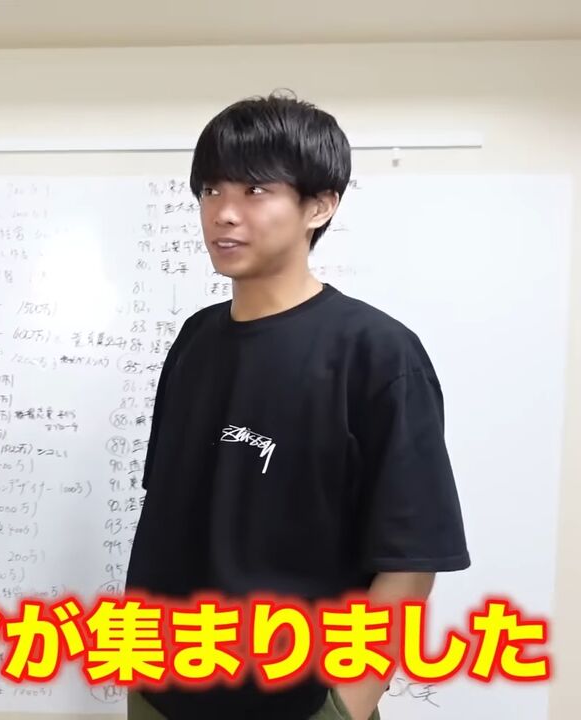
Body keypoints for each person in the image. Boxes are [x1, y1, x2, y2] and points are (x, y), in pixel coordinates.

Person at [123, 93, 470, 720]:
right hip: (158, 689)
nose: (224, 213)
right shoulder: (195, 339)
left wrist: (344, 706)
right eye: (211, 190)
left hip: (299, 702)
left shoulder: (377, 353)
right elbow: (169, 513)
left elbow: (410, 560)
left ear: (320, 205)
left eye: (255, 190)